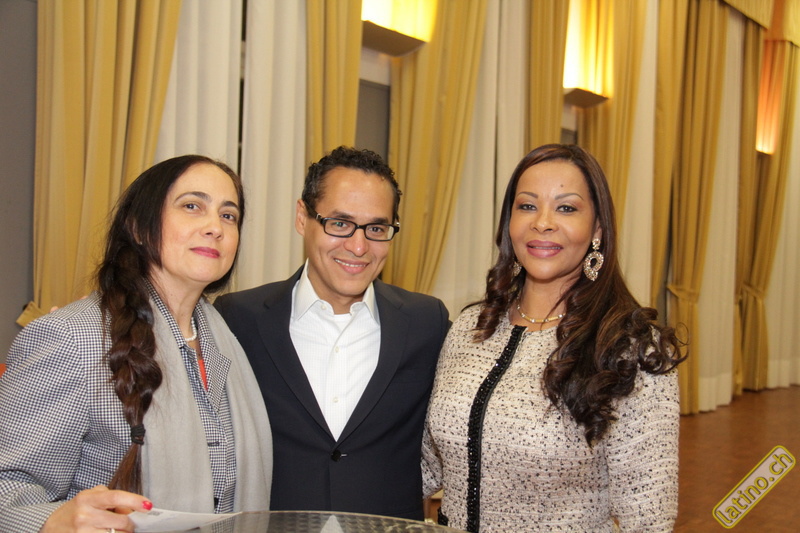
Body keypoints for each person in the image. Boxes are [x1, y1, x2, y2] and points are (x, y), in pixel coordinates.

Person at [0, 155, 272, 532]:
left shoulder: (228, 343)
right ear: (139, 227)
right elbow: (7, 484)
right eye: (192, 206)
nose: (215, 227)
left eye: (229, 215)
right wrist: (49, 522)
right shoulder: (72, 338)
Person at [422, 144, 685, 532]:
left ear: (597, 228)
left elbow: (647, 517)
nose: (542, 222)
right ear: (509, 223)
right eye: (527, 206)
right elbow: (428, 464)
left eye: (566, 208)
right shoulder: (470, 328)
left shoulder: (629, 349)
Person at [214, 146, 450, 520]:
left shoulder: (426, 323)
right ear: (302, 217)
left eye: (376, 228)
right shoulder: (237, 318)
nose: (358, 246)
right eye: (340, 223)